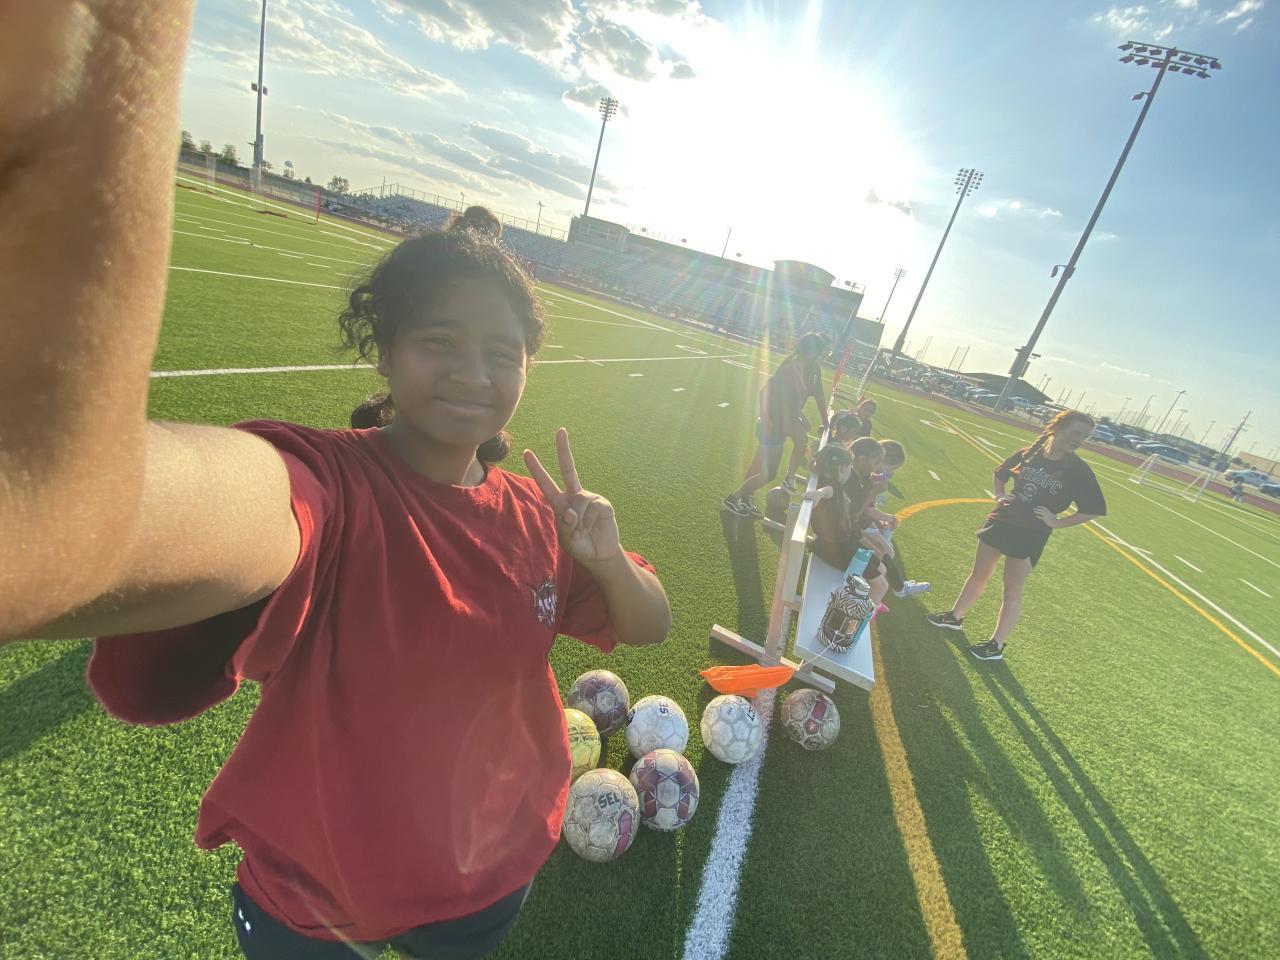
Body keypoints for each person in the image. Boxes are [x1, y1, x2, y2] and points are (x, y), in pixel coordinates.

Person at [0, 15, 671, 955]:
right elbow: (165, 516)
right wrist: (59, 507)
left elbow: (651, 624)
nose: (473, 372)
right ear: (386, 353)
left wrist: (606, 559)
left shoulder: (536, 516)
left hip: (487, 879)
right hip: (313, 905)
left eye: (502, 352)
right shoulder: (334, 487)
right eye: (439, 341)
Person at [928, 410, 1107, 661]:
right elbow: (1000, 473)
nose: (1079, 440)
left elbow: (1094, 509)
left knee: (1012, 589)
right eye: (1076, 433)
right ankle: (955, 617)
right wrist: (999, 495)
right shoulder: (1029, 453)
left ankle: (996, 646)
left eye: (1085, 437)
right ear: (1057, 428)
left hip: (1031, 533)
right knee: (979, 574)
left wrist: (1056, 522)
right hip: (1002, 520)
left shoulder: (1078, 470)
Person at [723, 332, 830, 517]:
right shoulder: (789, 369)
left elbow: (789, 399)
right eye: (820, 352)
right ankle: (733, 498)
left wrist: (802, 415)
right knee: (769, 472)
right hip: (772, 425)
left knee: (763, 463)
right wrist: (766, 420)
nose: (821, 356)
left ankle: (746, 497)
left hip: (781, 423)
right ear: (811, 352)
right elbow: (764, 392)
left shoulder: (804, 368)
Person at [809, 443, 890, 609]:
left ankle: (867, 604)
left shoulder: (835, 484)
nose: (851, 471)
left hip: (844, 545)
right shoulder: (833, 485)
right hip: (834, 549)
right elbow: (827, 490)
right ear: (842, 468)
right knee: (881, 586)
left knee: (882, 569)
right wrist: (819, 493)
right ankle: (862, 615)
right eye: (850, 467)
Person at [862, 439, 930, 599]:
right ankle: (897, 588)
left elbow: (867, 508)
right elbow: (865, 510)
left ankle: (897, 587)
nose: (890, 474)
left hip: (860, 522)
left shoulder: (870, 475)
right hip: (855, 525)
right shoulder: (866, 475)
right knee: (886, 552)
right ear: (882, 460)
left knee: (887, 548)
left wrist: (880, 520)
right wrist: (890, 518)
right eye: (892, 469)